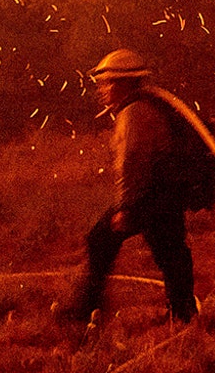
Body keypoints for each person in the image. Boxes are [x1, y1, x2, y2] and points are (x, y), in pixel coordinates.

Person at [64, 49, 203, 323]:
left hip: (150, 196)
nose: (102, 90)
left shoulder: (134, 112)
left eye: (107, 83)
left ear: (124, 83)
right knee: (171, 253)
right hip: (165, 193)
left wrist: (126, 208)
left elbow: (131, 163)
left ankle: (84, 311)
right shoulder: (147, 105)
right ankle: (184, 314)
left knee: (100, 239)